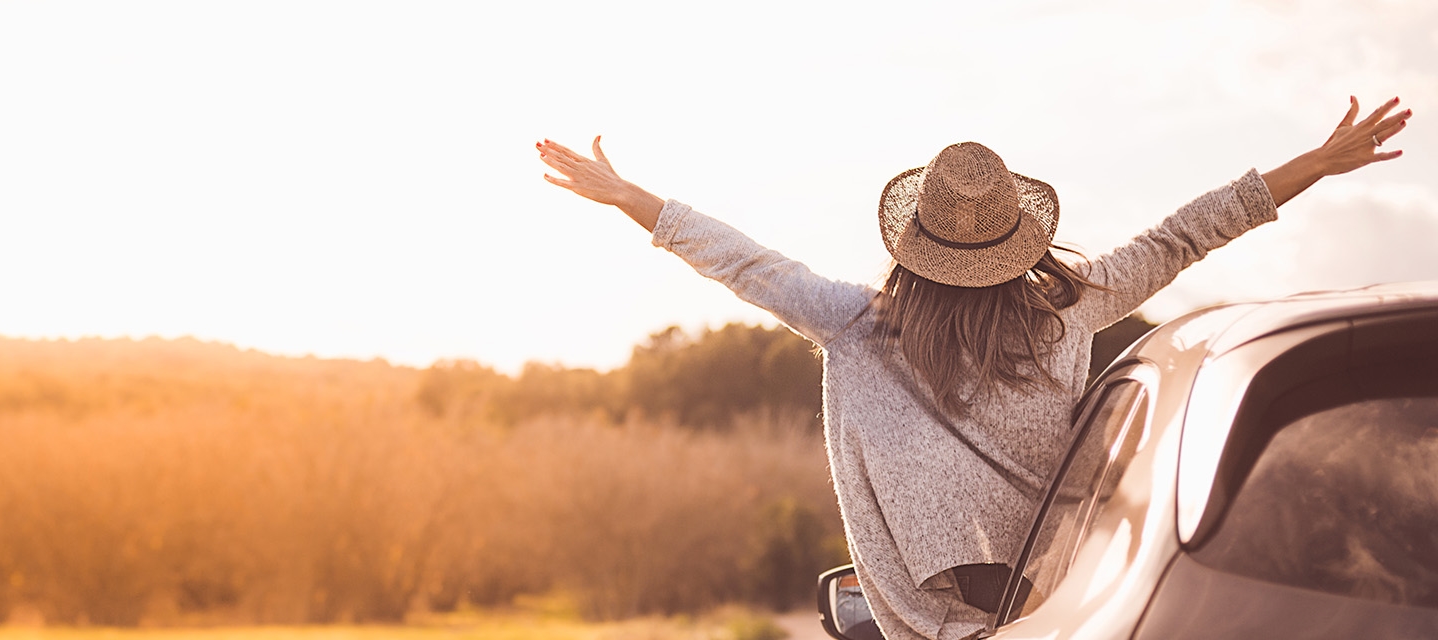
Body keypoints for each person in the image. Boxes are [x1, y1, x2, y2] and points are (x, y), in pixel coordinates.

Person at [536, 96, 1411, 640]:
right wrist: (1316, 165)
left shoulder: (855, 324)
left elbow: (745, 263)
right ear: (1014, 241)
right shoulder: (1070, 311)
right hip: (1069, 609)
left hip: (937, 622)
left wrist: (632, 200)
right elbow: (1191, 231)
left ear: (915, 244)